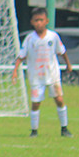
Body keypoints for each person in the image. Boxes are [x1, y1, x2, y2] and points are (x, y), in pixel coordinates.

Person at [12, 8, 73, 137]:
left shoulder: (53, 36)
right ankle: (34, 131)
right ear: (32, 22)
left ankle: (64, 128)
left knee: (59, 100)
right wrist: (15, 72)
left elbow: (62, 51)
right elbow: (21, 56)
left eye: (41, 20)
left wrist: (68, 64)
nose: (39, 23)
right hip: (36, 77)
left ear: (46, 21)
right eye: (36, 20)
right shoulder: (29, 39)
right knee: (35, 103)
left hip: (52, 75)